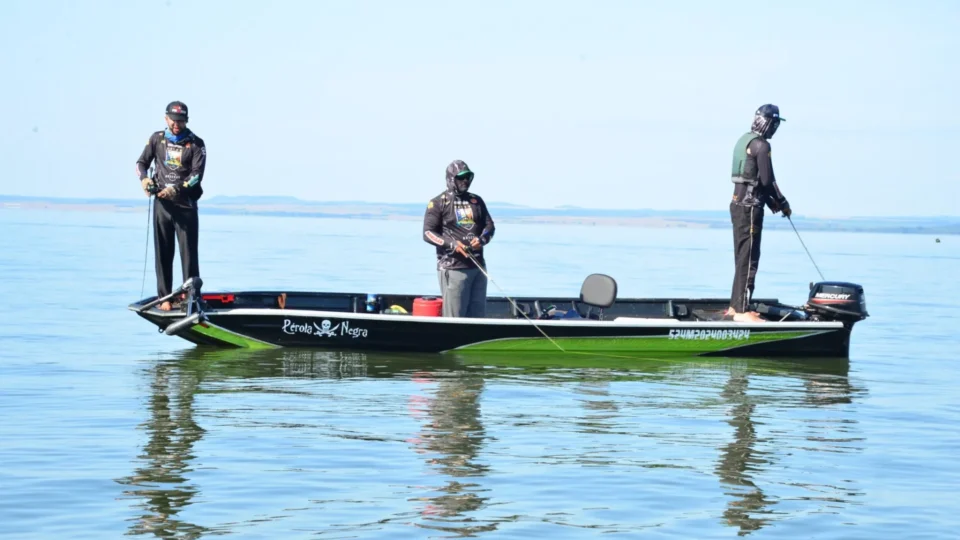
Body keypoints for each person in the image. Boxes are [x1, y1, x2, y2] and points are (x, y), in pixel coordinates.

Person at [136, 101, 207, 310]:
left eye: (181, 121)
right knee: (163, 253)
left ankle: (190, 297)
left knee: (188, 255)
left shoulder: (196, 144)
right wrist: (144, 180)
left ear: (186, 120)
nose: (177, 124)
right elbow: (141, 163)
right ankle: (165, 298)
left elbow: (196, 176)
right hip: (162, 206)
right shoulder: (156, 139)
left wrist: (176, 189)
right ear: (166, 119)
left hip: (185, 206)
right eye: (174, 120)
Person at [725, 104, 792, 322]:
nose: (775, 129)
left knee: (741, 257)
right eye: (774, 124)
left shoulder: (744, 140)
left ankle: (735, 307)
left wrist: (770, 201)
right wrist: (782, 202)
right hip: (751, 208)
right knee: (750, 258)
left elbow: (754, 179)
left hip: (737, 205)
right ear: (768, 122)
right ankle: (743, 311)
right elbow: (767, 180)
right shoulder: (762, 146)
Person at [422, 159, 496, 318]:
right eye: (461, 177)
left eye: (468, 177)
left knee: (478, 317)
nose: (465, 181)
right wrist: (453, 244)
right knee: (455, 316)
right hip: (453, 267)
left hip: (478, 267)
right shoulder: (438, 202)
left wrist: (482, 240)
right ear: (451, 178)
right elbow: (428, 233)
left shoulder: (477, 200)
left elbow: (490, 227)